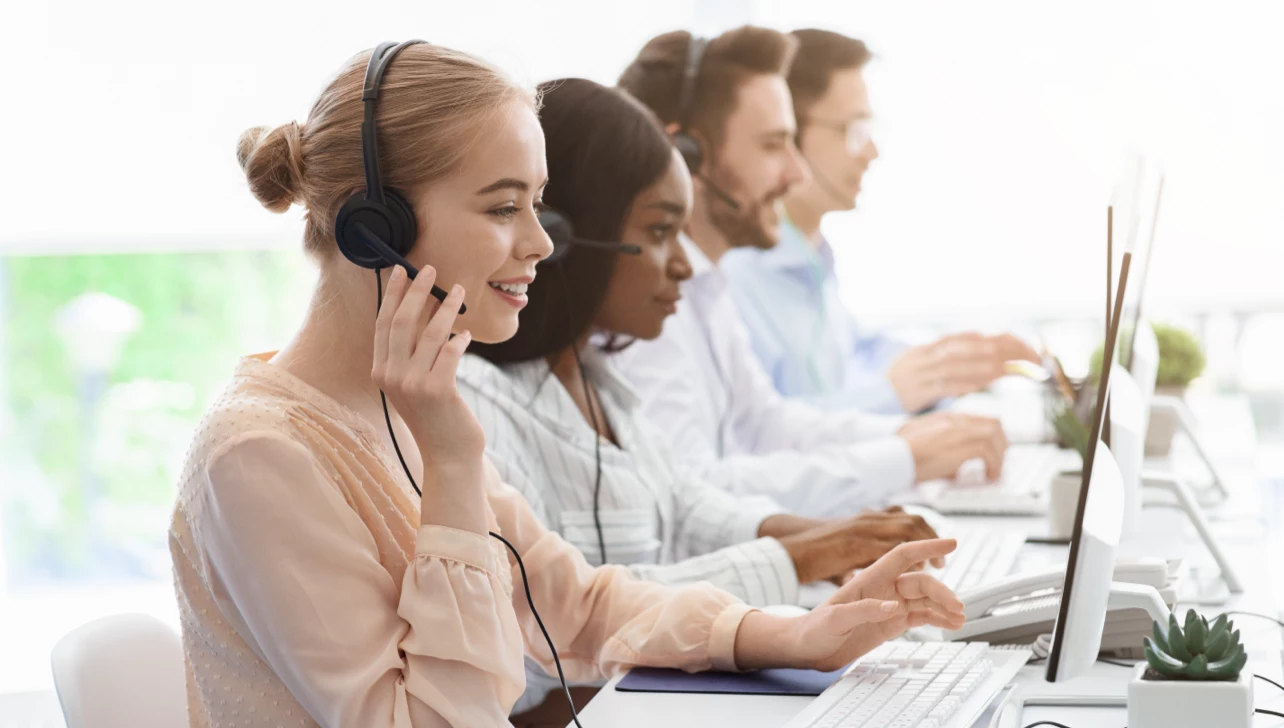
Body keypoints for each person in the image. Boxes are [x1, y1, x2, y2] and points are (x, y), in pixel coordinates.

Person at [169, 42, 966, 728]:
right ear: (375, 228)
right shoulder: (259, 458)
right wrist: (451, 462)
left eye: (537, 207)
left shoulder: (400, 406)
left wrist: (795, 634)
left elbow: (578, 606)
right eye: (503, 207)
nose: (540, 245)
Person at [460, 78, 943, 714]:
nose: (684, 265)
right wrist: (795, 556)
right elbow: (554, 632)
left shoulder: (601, 376)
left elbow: (682, 505)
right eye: (661, 233)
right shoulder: (479, 408)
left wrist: (825, 537)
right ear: (571, 238)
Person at [614, 27, 1009, 518]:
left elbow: (767, 424)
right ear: (685, 157)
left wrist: (910, 438)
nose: (797, 173)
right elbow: (692, 492)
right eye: (773, 145)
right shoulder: (646, 306)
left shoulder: (707, 287)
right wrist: (903, 457)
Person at [719, 29, 1041, 415]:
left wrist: (952, 360)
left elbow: (858, 351)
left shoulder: (814, 259)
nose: (871, 151)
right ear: (790, 131)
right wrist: (894, 394)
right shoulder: (732, 278)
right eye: (854, 130)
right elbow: (762, 434)